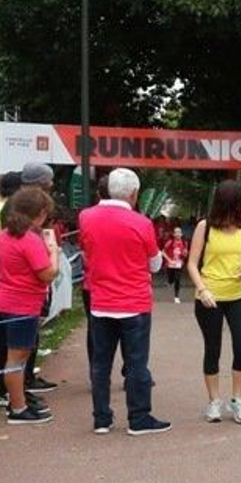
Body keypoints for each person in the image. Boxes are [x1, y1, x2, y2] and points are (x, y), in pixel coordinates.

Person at [78, 167, 171, 436]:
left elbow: (87, 250)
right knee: (136, 363)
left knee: (101, 363)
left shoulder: (86, 217)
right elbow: (154, 265)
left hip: (100, 300)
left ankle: (102, 418)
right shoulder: (141, 223)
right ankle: (139, 418)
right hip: (134, 303)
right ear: (133, 194)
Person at [187, 180, 241, 425]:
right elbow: (191, 263)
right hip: (210, 298)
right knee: (213, 348)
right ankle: (214, 402)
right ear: (231, 201)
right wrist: (202, 289)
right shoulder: (204, 227)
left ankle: (237, 400)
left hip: (238, 295)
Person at [0, 187, 61, 424]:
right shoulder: (29, 240)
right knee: (17, 358)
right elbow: (48, 274)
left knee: (13, 357)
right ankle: (18, 408)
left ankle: (16, 399)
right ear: (40, 213)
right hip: (23, 305)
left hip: (4, 300)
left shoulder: (4, 235)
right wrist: (53, 252)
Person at [162, 225, 188, 303]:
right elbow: (163, 252)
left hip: (179, 264)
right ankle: (169, 282)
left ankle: (176, 296)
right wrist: (169, 260)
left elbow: (185, 253)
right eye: (176, 232)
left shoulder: (184, 242)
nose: (178, 233)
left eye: (179, 232)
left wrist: (185, 254)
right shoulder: (170, 242)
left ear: (181, 234)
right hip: (170, 264)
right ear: (173, 234)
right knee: (171, 279)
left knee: (177, 279)